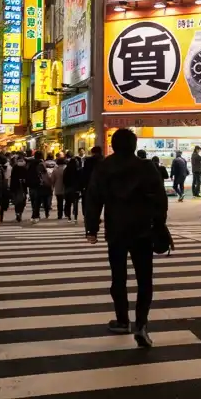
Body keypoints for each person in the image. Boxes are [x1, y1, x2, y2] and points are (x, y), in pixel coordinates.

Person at [84, 128, 168, 348]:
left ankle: (123, 320)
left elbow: (93, 199)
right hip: (142, 229)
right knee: (144, 279)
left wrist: (91, 229)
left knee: (118, 277)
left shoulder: (104, 167)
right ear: (134, 144)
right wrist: (159, 223)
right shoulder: (146, 167)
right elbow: (160, 199)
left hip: (116, 229)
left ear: (113, 145)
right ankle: (141, 324)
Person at [27, 150, 52, 222]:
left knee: (33, 200)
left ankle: (35, 213)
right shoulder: (42, 163)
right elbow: (45, 173)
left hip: (32, 184)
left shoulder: (31, 163)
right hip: (39, 184)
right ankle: (36, 214)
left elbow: (28, 174)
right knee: (38, 199)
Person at [81, 145, 103, 215]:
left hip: (90, 184)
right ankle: (98, 214)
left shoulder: (88, 161)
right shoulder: (104, 160)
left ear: (92, 152)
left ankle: (92, 216)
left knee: (91, 202)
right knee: (100, 203)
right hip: (102, 185)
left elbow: (85, 173)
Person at [63, 156, 82, 221]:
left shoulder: (66, 169)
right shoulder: (78, 170)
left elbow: (64, 179)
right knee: (75, 202)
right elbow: (79, 180)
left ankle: (68, 216)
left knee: (68, 202)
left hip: (68, 187)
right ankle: (75, 215)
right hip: (75, 188)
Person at [10, 155, 29, 222]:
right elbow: (27, 178)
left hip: (16, 187)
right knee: (22, 201)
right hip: (22, 187)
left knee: (17, 201)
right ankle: (19, 213)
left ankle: (18, 213)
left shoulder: (15, 167)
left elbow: (12, 178)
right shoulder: (24, 168)